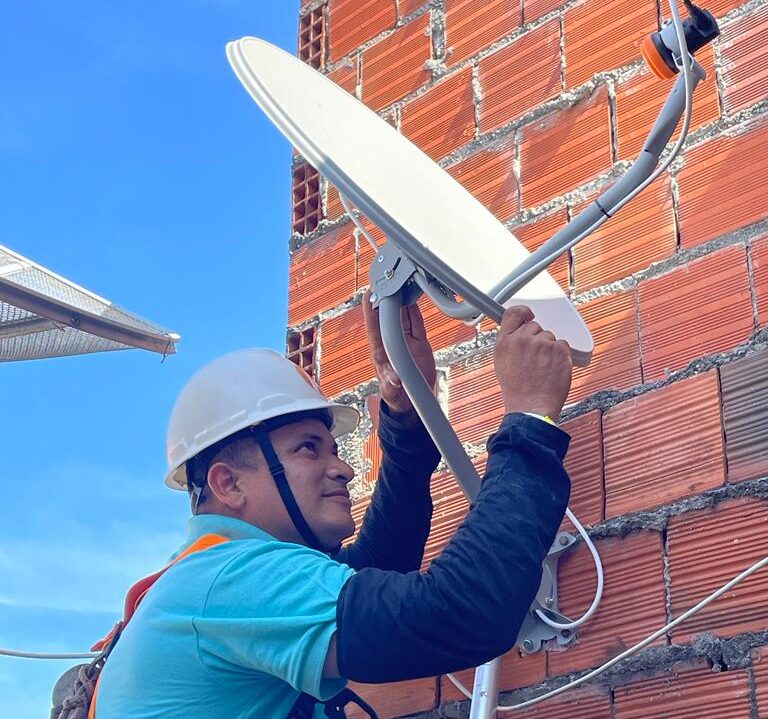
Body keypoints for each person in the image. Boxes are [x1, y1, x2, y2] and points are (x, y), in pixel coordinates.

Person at [92, 297, 573, 719]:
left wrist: (407, 413)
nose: (341, 469)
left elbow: (376, 568)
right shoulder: (233, 580)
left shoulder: (209, 580)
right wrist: (530, 416)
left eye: (334, 450)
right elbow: (459, 613)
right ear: (228, 482)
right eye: (307, 448)